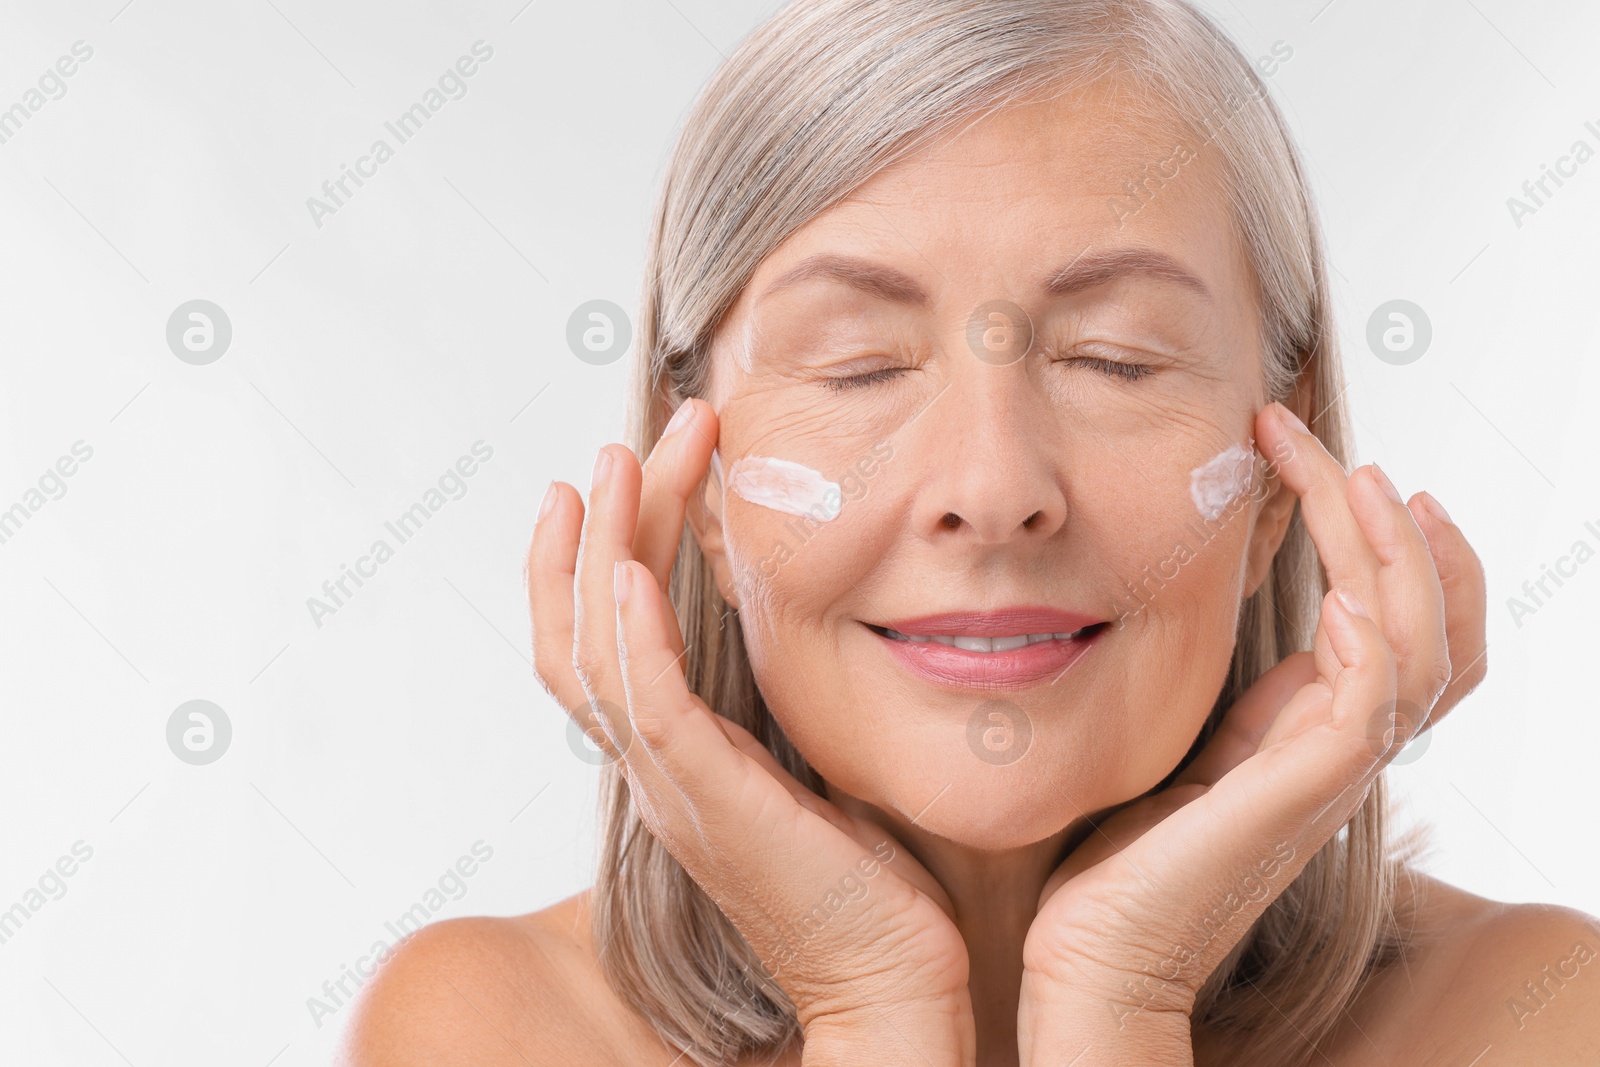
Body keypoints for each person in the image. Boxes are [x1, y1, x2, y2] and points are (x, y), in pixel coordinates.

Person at [338, 1, 1600, 1062]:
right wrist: (870, 999)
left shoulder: (1529, 1016)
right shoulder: (495, 1026)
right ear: (703, 487)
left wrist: (1123, 993)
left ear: (1282, 468)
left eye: (1113, 358)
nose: (993, 488)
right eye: (858, 365)